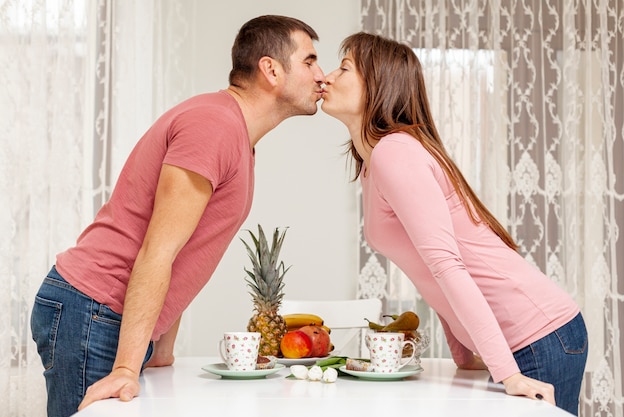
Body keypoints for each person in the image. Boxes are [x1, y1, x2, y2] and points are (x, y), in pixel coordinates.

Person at [30, 15, 325, 417]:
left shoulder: (231, 130)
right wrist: (124, 367)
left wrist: (161, 348)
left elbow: (184, 249)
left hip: (106, 315)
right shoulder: (215, 126)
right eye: (309, 61)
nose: (321, 75)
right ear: (271, 69)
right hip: (94, 310)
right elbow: (158, 250)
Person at [321, 32, 587, 416]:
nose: (327, 77)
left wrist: (507, 373)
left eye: (343, 68)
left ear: (377, 84)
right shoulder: (375, 163)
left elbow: (446, 264)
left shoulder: (395, 153)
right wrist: (463, 352)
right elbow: (425, 268)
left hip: (538, 336)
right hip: (522, 343)